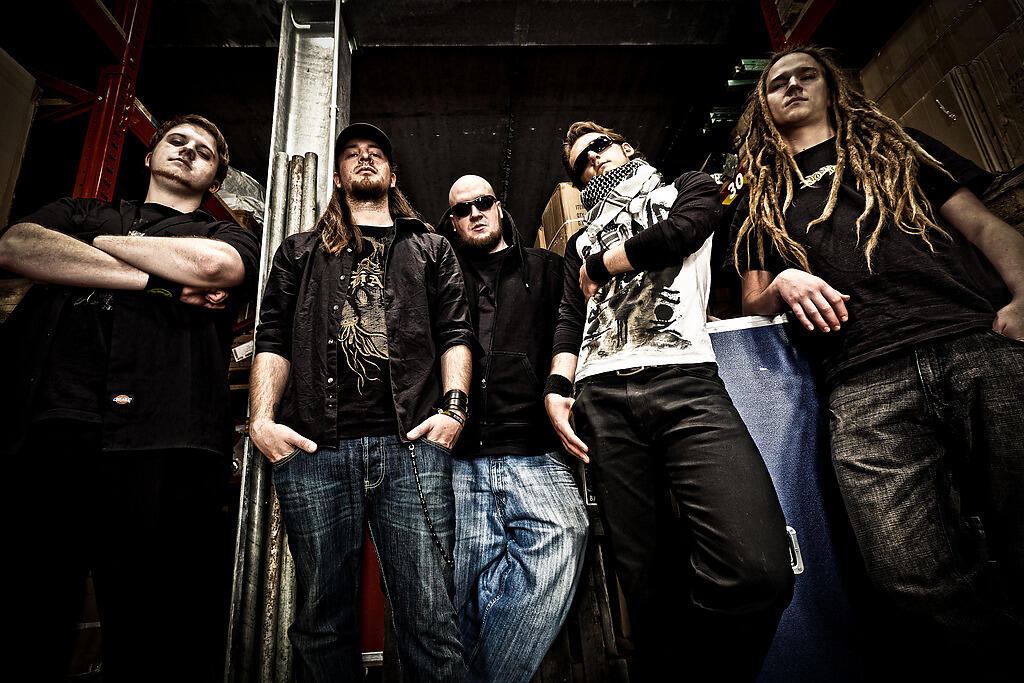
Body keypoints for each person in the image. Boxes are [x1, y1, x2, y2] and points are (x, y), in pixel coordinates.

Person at [731, 46, 1024, 678]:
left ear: (831, 85)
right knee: (908, 572)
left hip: (971, 342)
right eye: (777, 83)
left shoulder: (895, 148)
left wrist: (1023, 296)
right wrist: (782, 279)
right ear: (763, 105)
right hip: (861, 380)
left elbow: (983, 226)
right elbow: (753, 300)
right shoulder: (761, 197)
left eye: (805, 74)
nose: (792, 86)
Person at [0, 114, 260, 681]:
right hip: (58, 426)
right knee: (30, 608)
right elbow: (17, 246)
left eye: (204, 152)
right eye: (177, 142)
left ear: (216, 178)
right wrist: (158, 281)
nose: (187, 152)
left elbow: (214, 266)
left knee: (152, 624)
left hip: (166, 440)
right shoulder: (83, 210)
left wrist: (84, 255)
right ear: (149, 155)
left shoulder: (224, 235)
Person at [545, 121, 794, 680]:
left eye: (599, 148)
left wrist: (600, 265)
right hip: (602, 396)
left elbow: (681, 234)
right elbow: (570, 319)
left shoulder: (687, 187)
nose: (592, 162)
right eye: (580, 164)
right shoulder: (580, 240)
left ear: (626, 146)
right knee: (645, 584)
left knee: (758, 568)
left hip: (685, 383)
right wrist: (558, 389)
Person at [249, 123, 472, 682]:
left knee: (431, 618)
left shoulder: (430, 246)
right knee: (322, 622)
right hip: (315, 449)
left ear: (393, 175)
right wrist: (261, 421)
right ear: (337, 176)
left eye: (376, 154)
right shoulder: (299, 251)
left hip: (411, 448)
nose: (365, 159)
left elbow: (456, 333)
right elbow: (272, 336)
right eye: (352, 153)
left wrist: (453, 410)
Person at [438, 174, 588, 682]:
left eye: (483, 202)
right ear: (452, 223)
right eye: (462, 209)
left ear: (499, 207)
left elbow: (572, 333)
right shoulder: (441, 278)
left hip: (534, 448)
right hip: (459, 456)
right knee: (463, 586)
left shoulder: (547, 268)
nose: (475, 212)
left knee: (565, 534)